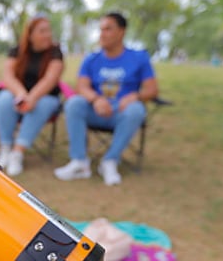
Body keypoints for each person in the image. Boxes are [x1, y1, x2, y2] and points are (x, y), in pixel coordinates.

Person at [54, 12, 158, 186]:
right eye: (101, 29)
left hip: (122, 113)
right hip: (96, 111)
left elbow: (152, 90)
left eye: (108, 29)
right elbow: (81, 87)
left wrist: (135, 96)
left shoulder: (139, 58)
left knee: (137, 109)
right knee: (74, 103)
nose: (102, 34)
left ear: (122, 32)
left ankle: (110, 161)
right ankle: (79, 162)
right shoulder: (91, 59)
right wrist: (96, 100)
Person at [0, 15, 64, 176]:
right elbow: (8, 76)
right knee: (4, 99)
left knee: (42, 103)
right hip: (19, 94)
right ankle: (6, 147)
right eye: (42, 31)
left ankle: (18, 152)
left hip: (46, 96)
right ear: (30, 34)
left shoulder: (55, 52)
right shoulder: (16, 51)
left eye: (48, 30)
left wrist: (32, 98)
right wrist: (22, 95)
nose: (48, 35)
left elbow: (50, 79)